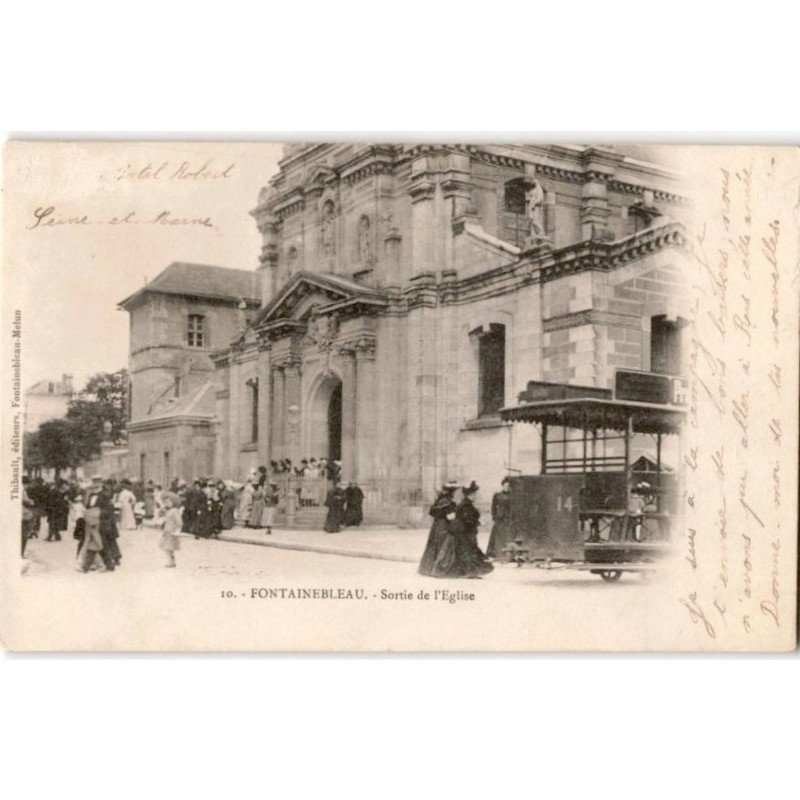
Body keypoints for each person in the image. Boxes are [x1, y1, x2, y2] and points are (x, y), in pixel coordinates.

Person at [418, 480, 459, 577]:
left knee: (434, 545)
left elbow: (432, 512)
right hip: (444, 526)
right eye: (454, 491)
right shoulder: (449, 502)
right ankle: (438, 570)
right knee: (443, 546)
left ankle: (427, 569)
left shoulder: (439, 500)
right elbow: (450, 517)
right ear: (452, 492)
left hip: (436, 526)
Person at [453, 481, 493, 578]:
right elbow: (467, 520)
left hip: (467, 532)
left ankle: (471, 572)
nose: (475, 496)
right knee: (470, 551)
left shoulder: (466, 504)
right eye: (474, 494)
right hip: (466, 532)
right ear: (470, 494)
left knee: (470, 550)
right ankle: (470, 572)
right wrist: (479, 522)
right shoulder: (466, 505)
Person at [486, 477, 513, 559]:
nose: (506, 487)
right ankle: (497, 553)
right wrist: (494, 516)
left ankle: (508, 554)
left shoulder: (512, 496)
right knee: (497, 535)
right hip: (499, 517)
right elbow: (493, 507)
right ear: (502, 486)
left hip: (508, 517)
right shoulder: (497, 495)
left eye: (508, 486)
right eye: (505, 486)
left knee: (508, 535)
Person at [159, 492, 183, 568]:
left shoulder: (175, 510)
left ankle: (170, 562)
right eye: (165, 502)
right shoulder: (169, 510)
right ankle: (171, 561)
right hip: (167, 530)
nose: (167, 504)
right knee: (168, 548)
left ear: (173, 502)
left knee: (168, 548)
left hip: (171, 531)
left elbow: (179, 522)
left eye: (168, 502)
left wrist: (177, 530)